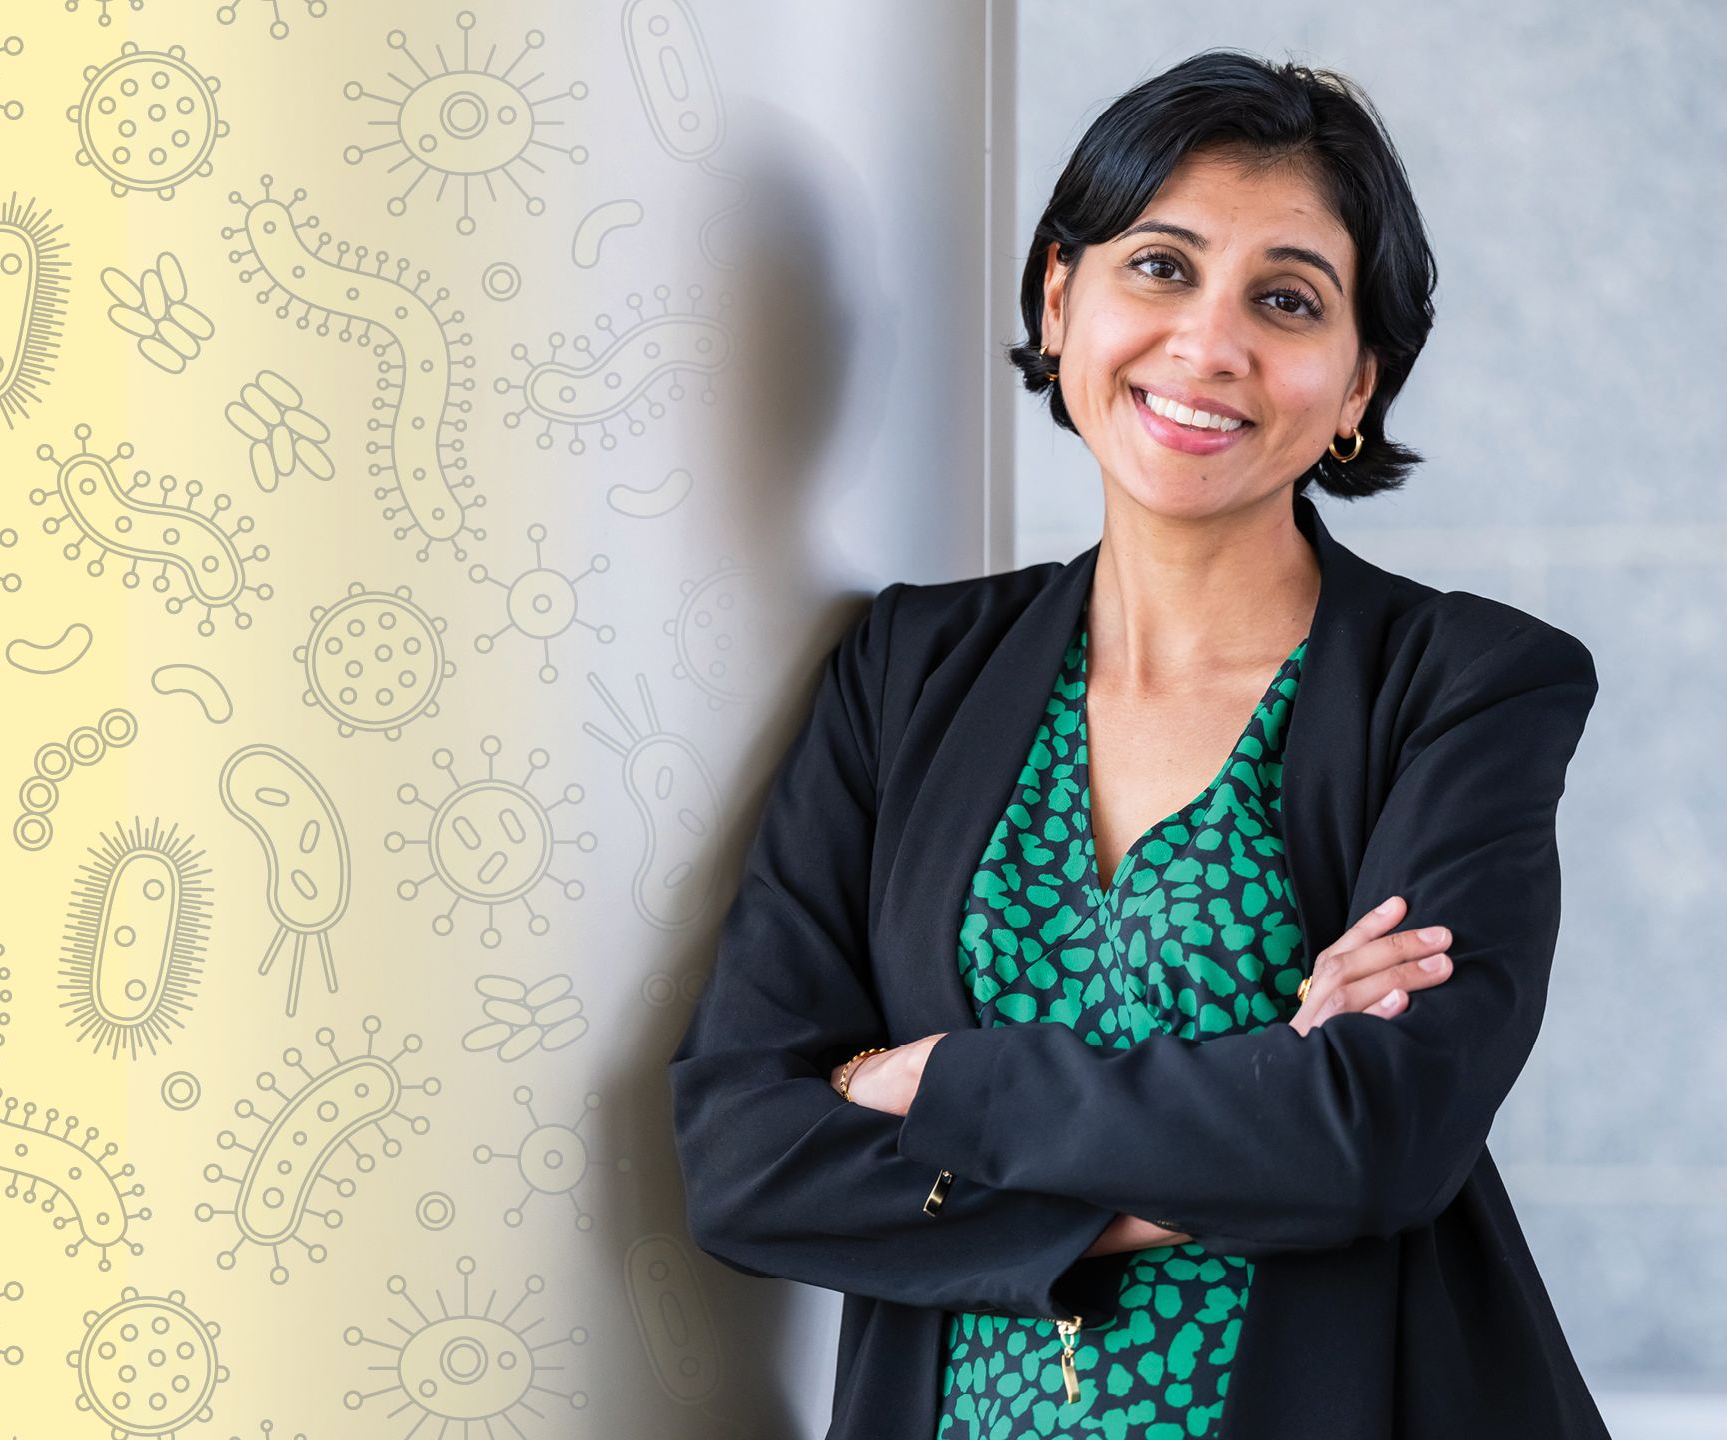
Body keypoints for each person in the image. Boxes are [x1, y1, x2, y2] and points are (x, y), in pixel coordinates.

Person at [669, 48, 1609, 1440]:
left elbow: (1381, 1137)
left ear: (1359, 384)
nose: (1209, 344)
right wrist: (1252, 1123)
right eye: (1160, 267)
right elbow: (744, 1157)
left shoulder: (1468, 686)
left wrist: (931, 1081)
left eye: (1286, 300)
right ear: (1062, 298)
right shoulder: (904, 669)